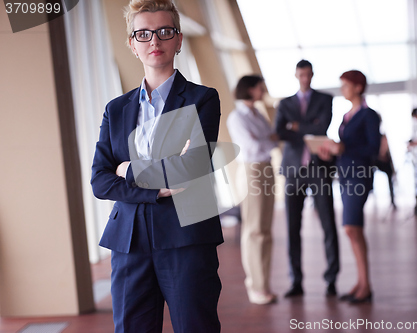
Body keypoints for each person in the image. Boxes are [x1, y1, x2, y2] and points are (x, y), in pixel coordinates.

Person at [90, 1, 223, 332]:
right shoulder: (116, 109)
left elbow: (191, 167)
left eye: (165, 32)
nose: (154, 41)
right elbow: (99, 180)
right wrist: (158, 180)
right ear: (132, 45)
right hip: (129, 241)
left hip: (187, 238)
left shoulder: (202, 99)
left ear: (178, 40)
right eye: (144, 34)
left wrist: (128, 171)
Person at [275, 60, 339, 297]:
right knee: (292, 227)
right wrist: (307, 127)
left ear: (312, 75)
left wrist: (295, 125)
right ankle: (296, 281)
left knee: (328, 224)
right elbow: (280, 131)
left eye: (308, 74)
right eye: (301, 74)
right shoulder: (284, 103)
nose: (305, 78)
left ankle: (331, 279)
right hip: (293, 170)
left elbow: (322, 128)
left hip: (319, 169)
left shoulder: (325, 99)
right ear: (296, 75)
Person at [318, 70, 380, 304]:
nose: (342, 89)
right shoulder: (347, 116)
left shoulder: (369, 115)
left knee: (352, 228)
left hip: (359, 176)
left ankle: (366, 284)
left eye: (345, 85)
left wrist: (343, 149)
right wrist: (330, 153)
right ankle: (362, 282)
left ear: (357, 87)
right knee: (353, 230)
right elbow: (344, 149)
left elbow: (373, 150)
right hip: (345, 175)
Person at [227, 75, 279, 304]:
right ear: (249, 89)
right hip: (252, 171)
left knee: (265, 229)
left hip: (267, 167)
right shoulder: (237, 117)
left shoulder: (257, 114)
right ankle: (255, 285)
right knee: (254, 229)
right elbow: (253, 145)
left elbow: (272, 141)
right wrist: (266, 139)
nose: (262, 90)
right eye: (259, 87)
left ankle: (264, 283)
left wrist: (265, 139)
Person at [375, 134, 396, 208]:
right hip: (377, 160)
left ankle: (393, 200)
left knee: (390, 177)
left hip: (383, 160)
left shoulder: (382, 136)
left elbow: (383, 152)